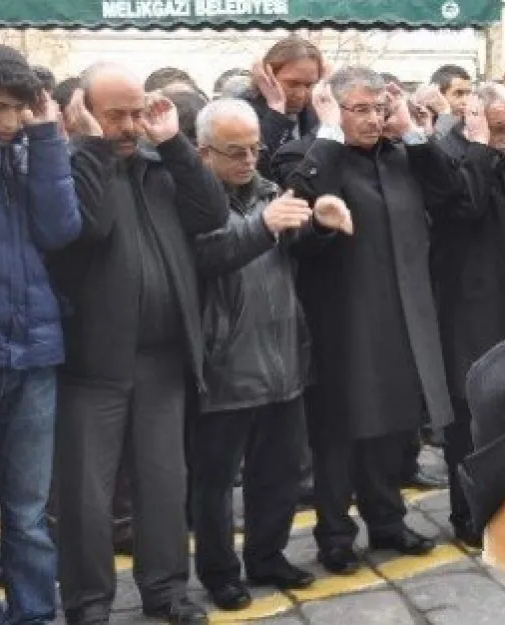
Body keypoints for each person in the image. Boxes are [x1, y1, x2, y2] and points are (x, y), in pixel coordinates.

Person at [50, 62, 230, 625]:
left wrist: (174, 141)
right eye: (115, 116)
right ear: (85, 114)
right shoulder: (68, 166)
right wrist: (90, 148)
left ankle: (167, 591)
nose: (128, 127)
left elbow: (213, 212)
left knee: (163, 484)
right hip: (92, 364)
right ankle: (89, 602)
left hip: (162, 361)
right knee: (86, 497)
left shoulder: (160, 167)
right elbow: (90, 229)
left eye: (135, 114)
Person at [271, 67, 460, 574]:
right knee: (339, 429)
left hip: (401, 312)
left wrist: (414, 132)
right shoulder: (307, 154)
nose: (373, 119)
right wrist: (331, 133)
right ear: (331, 108)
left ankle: (388, 520)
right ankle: (334, 534)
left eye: (379, 108)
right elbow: (299, 204)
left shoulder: (400, 157)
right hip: (341, 314)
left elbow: (450, 196)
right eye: (361, 109)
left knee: (391, 423)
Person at [189, 99, 351, 611]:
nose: (247, 160)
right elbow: (208, 256)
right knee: (215, 483)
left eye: (254, 148)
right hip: (225, 364)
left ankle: (267, 555)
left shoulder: (265, 191)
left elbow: (294, 249)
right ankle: (219, 572)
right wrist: (265, 226)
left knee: (279, 472)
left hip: (282, 356)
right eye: (233, 151)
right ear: (203, 151)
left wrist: (319, 224)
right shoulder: (193, 199)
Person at [432, 84, 505, 548]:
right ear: (473, 119)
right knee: (470, 416)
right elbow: (466, 206)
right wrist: (482, 147)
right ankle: (470, 512)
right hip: (470, 310)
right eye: (498, 129)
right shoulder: (450, 156)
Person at [0, 44, 81, 625]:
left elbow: (61, 231)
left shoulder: (30, 153)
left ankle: (34, 616)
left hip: (34, 353)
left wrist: (48, 140)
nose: (6, 120)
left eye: (14, 108)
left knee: (27, 512)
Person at [246, 37, 324, 178]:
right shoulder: (243, 113)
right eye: (292, 84)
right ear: (268, 77)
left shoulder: (315, 113)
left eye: (309, 85)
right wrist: (277, 113)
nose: (301, 94)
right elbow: (258, 166)